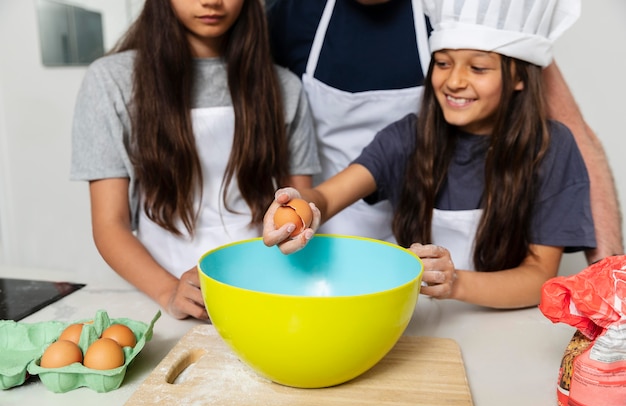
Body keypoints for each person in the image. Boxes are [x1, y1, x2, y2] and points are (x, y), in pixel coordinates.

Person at [263, 0, 596, 309]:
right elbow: (324, 195)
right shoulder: (407, 137)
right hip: (419, 318)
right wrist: (299, 208)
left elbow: (540, 275)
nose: (454, 81)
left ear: (520, 77)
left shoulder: (551, 148)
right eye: (442, 63)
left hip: (507, 325)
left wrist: (455, 283)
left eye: (478, 69)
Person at [70, 0, 320, 320]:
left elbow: (299, 204)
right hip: (157, 294)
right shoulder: (110, 81)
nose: (211, 1)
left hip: (261, 291)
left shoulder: (285, 87)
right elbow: (109, 224)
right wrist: (168, 291)